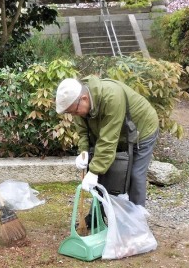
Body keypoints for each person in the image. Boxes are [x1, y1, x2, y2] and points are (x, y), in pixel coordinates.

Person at [55, 76, 159, 207]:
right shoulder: (78, 107)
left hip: (142, 130)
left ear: (84, 99)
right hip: (118, 133)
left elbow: (108, 141)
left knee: (135, 175)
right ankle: (97, 218)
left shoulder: (111, 97)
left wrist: (94, 171)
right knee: (104, 174)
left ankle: (135, 221)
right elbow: (83, 132)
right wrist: (84, 151)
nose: (74, 115)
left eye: (74, 111)